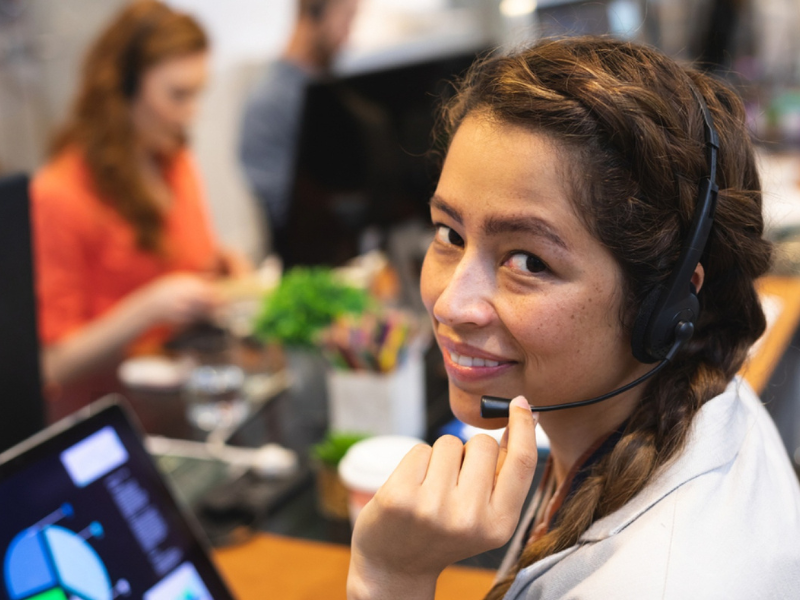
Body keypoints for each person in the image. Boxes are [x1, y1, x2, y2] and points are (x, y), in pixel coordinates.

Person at [346, 37, 800, 599]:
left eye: (528, 262)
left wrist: (390, 576)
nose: (449, 305)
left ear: (666, 301)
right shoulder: (695, 401)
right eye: (450, 234)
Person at [32, 0, 247, 388]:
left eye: (197, 94)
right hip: (109, 406)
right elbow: (52, 365)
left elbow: (182, 260)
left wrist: (219, 270)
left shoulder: (174, 162)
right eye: (178, 95)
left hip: (182, 385)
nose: (191, 112)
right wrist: (148, 309)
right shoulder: (58, 194)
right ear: (124, 90)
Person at [238, 0, 359, 257]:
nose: (348, 36)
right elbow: (287, 213)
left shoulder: (337, 91)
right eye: (346, 20)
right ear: (313, 12)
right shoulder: (269, 104)